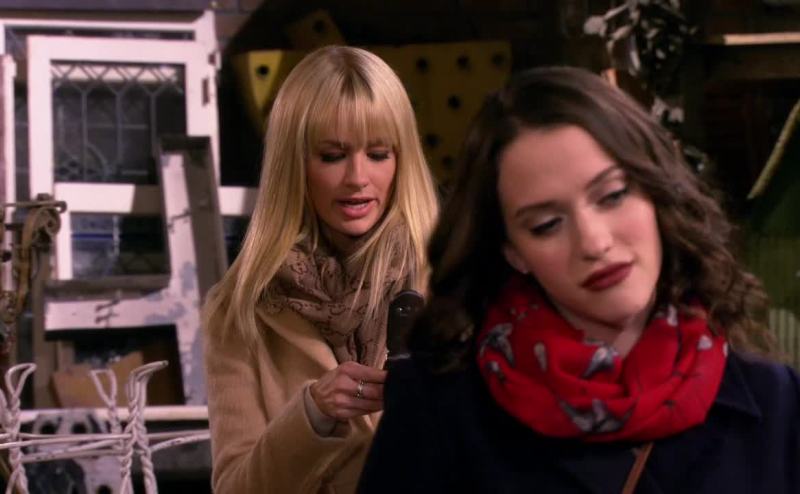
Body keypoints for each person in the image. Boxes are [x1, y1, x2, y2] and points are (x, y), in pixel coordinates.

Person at [358, 66, 800, 493]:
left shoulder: (777, 400)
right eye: (547, 224)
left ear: (657, 193)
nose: (594, 242)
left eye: (613, 195)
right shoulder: (437, 408)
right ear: (513, 250)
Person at [202, 45, 439, 493]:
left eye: (378, 153)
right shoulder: (239, 309)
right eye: (332, 156)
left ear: (401, 160)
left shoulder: (453, 285)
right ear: (294, 164)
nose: (357, 177)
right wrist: (312, 413)